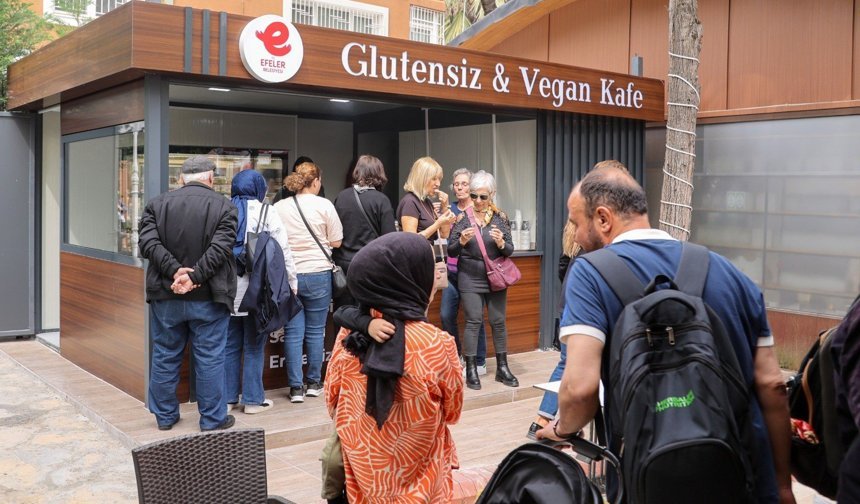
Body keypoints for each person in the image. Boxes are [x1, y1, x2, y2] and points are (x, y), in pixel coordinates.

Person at [536, 168, 796, 504]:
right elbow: (773, 386)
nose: (575, 234)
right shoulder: (730, 273)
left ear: (603, 218)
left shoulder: (589, 274)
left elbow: (580, 389)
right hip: (743, 476)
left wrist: (561, 430)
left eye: (576, 222)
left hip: (651, 479)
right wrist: (782, 485)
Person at [324, 232, 463, 503]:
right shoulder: (437, 344)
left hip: (363, 485)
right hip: (423, 485)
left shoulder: (348, 335)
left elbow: (332, 402)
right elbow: (452, 412)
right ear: (410, 280)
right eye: (427, 270)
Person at [138, 155, 238, 431]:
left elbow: (147, 243)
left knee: (165, 354)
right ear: (211, 178)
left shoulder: (156, 204)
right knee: (210, 358)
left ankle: (165, 417)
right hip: (209, 297)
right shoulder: (225, 207)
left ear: (181, 178)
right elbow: (220, 249)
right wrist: (194, 277)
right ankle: (212, 419)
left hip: (166, 294)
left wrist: (174, 272)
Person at [224, 170, 298, 414]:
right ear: (259, 188)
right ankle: (254, 401)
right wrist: (291, 281)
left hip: (228, 290)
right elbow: (282, 251)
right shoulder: (268, 211)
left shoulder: (224, 210)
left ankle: (228, 399)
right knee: (255, 345)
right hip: (257, 290)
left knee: (230, 345)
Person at [274, 161, 343, 403]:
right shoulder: (324, 205)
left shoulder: (280, 207)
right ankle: (314, 382)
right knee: (316, 332)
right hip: (318, 274)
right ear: (315, 182)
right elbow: (336, 242)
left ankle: (295, 388)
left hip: (290, 276)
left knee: (293, 333)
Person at [448, 170, 518, 391]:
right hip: (469, 276)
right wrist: (460, 240)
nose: (478, 201)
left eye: (483, 197)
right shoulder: (462, 218)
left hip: (495, 276)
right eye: (474, 195)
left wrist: (500, 244)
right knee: (473, 321)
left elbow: (510, 250)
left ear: (492, 195)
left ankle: (502, 368)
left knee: (498, 321)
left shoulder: (501, 218)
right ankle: (470, 368)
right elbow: (451, 250)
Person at [527, 220, 582, 438]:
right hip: (583, 310)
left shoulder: (573, 236)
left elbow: (562, 267)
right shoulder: (597, 242)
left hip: (567, 306)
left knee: (566, 364)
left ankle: (541, 420)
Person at [440, 168, 489, 375]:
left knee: (474, 316)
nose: (459, 187)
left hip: (472, 273)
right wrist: (443, 211)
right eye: (456, 184)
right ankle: (456, 355)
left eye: (464, 184)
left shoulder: (480, 209)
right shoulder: (450, 209)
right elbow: (443, 236)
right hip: (451, 273)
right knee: (446, 314)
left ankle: (479, 360)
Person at [331, 155, 396, 311]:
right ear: (379, 174)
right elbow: (389, 239)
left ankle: (342, 336)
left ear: (358, 172)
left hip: (343, 264)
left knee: (344, 311)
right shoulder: (382, 200)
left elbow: (333, 231)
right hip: (369, 265)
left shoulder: (342, 197)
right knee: (367, 314)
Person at [396, 156, 455, 243]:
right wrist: (438, 224)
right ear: (421, 178)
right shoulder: (410, 202)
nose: (438, 183)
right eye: (434, 179)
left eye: (439, 179)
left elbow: (444, 234)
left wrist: (445, 207)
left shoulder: (427, 202)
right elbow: (410, 240)